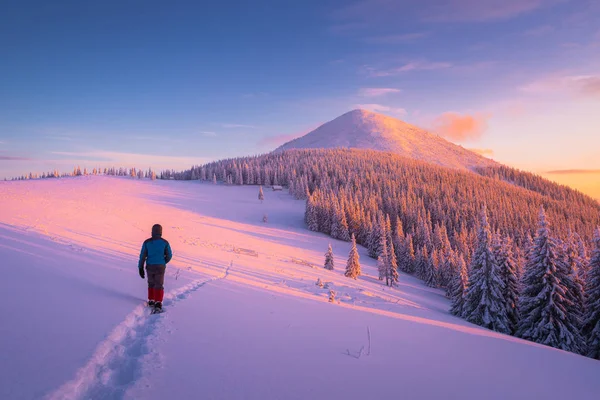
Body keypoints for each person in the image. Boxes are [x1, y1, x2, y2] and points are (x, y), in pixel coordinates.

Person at [138, 224, 173, 311]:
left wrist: (140, 267)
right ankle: (158, 302)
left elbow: (142, 255)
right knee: (159, 284)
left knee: (151, 283)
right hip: (160, 266)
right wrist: (163, 261)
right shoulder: (165, 242)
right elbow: (169, 255)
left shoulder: (147, 242)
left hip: (150, 265)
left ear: (152, 231)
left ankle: (151, 300)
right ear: (161, 232)